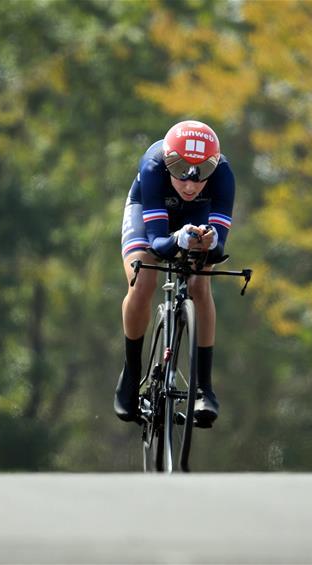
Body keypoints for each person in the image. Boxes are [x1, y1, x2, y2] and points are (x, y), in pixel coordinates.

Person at [115, 120, 235, 428]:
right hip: (149, 209)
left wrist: (209, 241)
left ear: (214, 166)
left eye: (201, 174)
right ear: (168, 162)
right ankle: (131, 373)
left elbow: (218, 249)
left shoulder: (223, 176)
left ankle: (204, 388)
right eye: (180, 170)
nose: (191, 184)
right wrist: (177, 239)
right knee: (143, 280)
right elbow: (156, 242)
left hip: (197, 216)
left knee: (200, 283)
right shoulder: (153, 167)